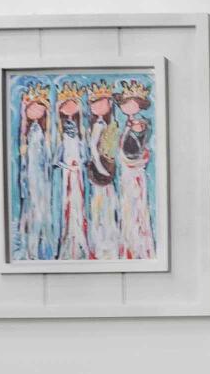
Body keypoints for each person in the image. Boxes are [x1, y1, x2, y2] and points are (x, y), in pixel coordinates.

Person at [14, 80, 57, 261]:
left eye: (40, 109)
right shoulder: (28, 132)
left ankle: (43, 245)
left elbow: (48, 150)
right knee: (31, 207)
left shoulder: (44, 132)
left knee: (42, 207)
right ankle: (31, 246)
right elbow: (23, 151)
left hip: (41, 174)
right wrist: (23, 114)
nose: (36, 112)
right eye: (32, 109)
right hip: (30, 174)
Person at [82, 81, 125, 259]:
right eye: (95, 103)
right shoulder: (98, 124)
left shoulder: (109, 123)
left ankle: (109, 243)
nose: (99, 106)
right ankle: (103, 245)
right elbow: (93, 148)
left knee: (108, 205)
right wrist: (100, 168)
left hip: (107, 168)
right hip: (101, 172)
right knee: (103, 206)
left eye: (103, 102)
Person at [116, 80, 158, 259]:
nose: (127, 107)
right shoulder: (127, 124)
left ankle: (139, 245)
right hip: (127, 170)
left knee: (137, 204)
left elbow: (137, 147)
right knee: (127, 205)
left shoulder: (141, 124)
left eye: (131, 104)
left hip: (135, 169)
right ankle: (129, 244)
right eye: (125, 104)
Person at [55, 83, 94, 260]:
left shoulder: (80, 137)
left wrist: (78, 166)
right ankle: (68, 243)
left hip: (78, 176)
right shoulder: (61, 138)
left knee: (79, 207)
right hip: (67, 176)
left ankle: (80, 242)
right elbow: (56, 160)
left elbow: (85, 157)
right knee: (68, 206)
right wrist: (68, 167)